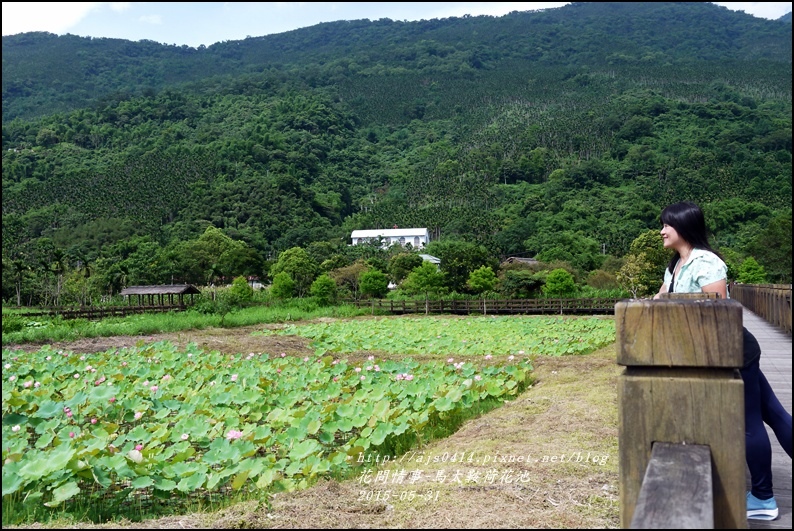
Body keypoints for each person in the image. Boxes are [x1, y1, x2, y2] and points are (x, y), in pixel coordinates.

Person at [653, 201, 792, 521]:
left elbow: (720, 314)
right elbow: (660, 300)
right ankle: (762, 493)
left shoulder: (707, 263)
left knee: (749, 423)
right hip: (719, 353)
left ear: (683, 227)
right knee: (773, 412)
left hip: (733, 352)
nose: (661, 231)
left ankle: (764, 497)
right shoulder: (675, 265)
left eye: (666, 225)